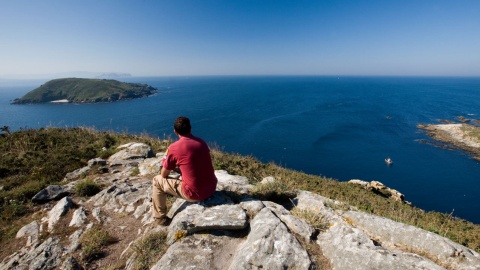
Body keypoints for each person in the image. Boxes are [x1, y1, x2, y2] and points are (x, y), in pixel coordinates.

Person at [152, 116, 217, 225]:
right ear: (190, 128)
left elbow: (163, 174)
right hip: (211, 188)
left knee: (157, 181)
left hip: (195, 194)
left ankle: (160, 218)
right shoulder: (202, 142)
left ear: (175, 131)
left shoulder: (174, 148)